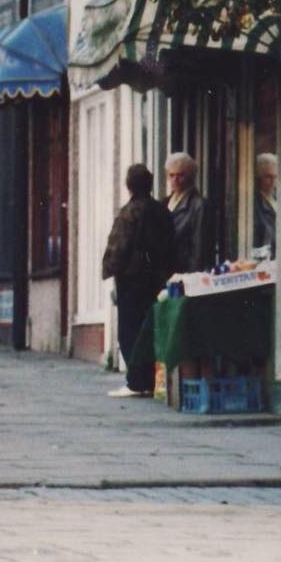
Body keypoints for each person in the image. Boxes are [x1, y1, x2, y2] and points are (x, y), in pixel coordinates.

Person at [103, 163, 174, 396]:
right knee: (150, 329)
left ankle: (136, 381)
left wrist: (110, 269)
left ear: (128, 185)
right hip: (157, 278)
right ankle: (151, 380)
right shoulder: (163, 211)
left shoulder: (128, 212)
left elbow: (119, 246)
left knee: (129, 330)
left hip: (132, 280)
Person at [166, 152, 209, 273]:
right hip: (166, 272)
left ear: (190, 176)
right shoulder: (165, 202)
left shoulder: (199, 205)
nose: (175, 180)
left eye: (180, 175)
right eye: (171, 175)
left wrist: (192, 276)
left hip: (184, 273)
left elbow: (199, 247)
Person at [252, 152, 278, 259]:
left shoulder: (279, 199)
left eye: (275, 177)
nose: (273, 182)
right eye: (268, 177)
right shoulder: (254, 204)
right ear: (259, 177)